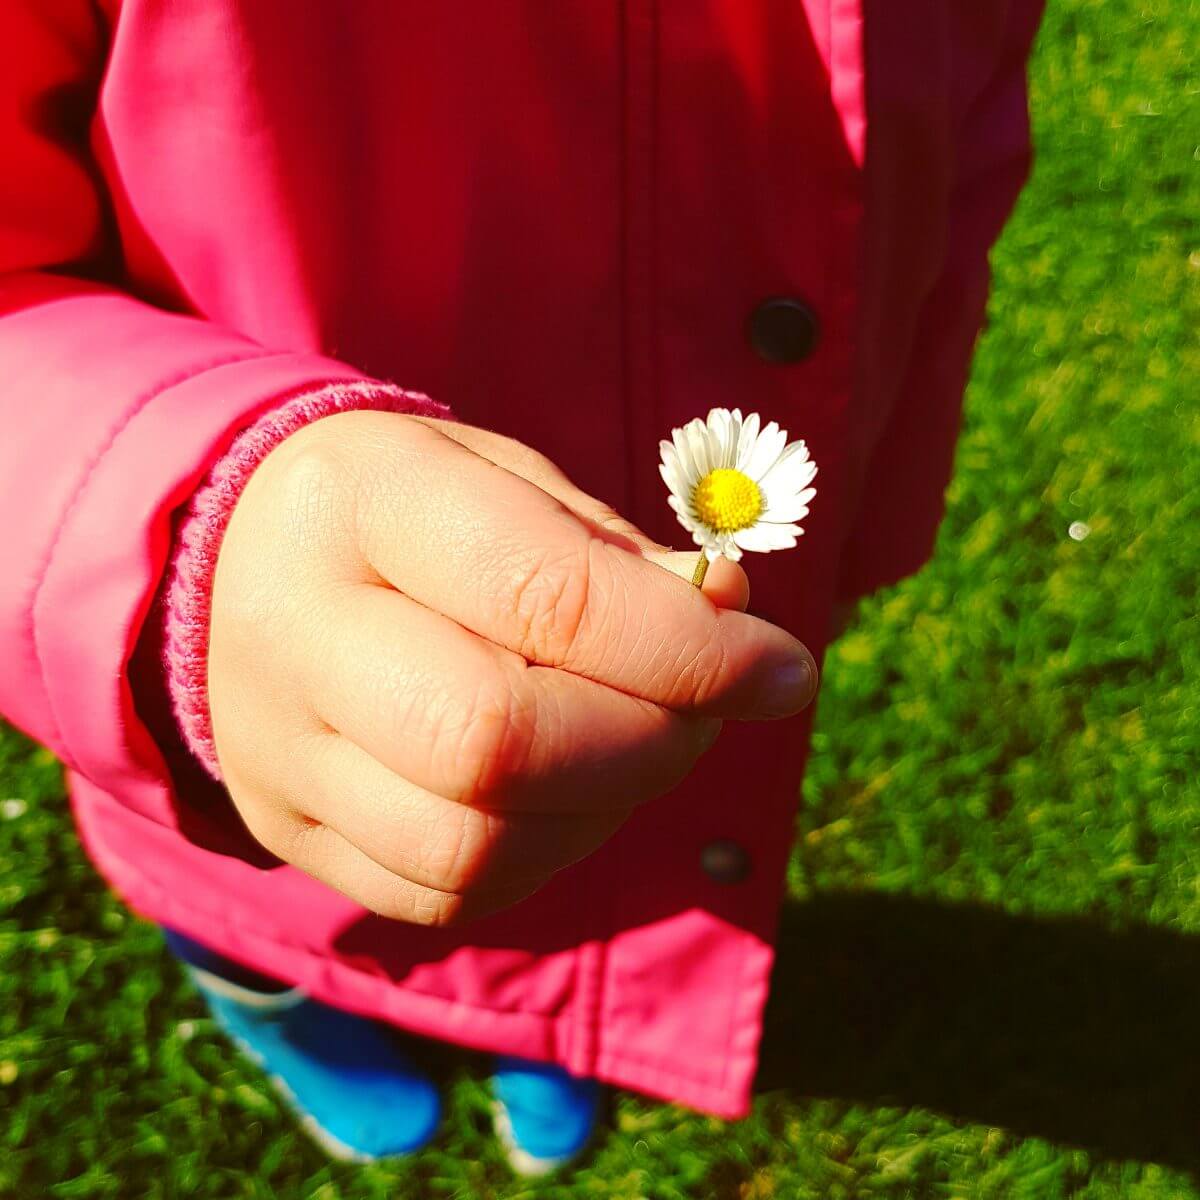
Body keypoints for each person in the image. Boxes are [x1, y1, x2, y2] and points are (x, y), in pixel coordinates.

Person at [0, 0, 1044, 1176]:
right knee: (277, 878)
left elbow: (953, 165)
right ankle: (271, 999)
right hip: (247, 590)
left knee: (568, 825)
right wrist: (180, 524)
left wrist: (873, 507)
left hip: (637, 562)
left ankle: (543, 1007)